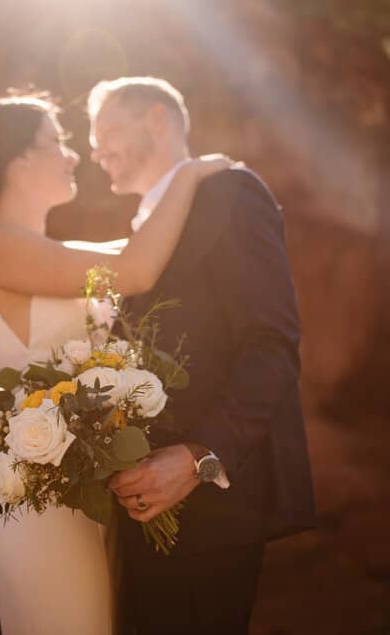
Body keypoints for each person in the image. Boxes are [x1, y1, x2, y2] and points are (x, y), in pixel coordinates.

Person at [0, 93, 233, 635]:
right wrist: (191, 172)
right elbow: (137, 268)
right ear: (18, 160)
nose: (75, 155)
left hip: (85, 490)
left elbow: (149, 247)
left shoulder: (50, 251)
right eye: (56, 142)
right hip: (41, 501)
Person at [88, 76, 318, 634]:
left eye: (109, 132)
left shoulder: (230, 194)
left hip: (211, 514)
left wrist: (197, 460)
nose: (97, 152)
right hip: (139, 508)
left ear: (158, 121)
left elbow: (271, 347)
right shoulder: (141, 232)